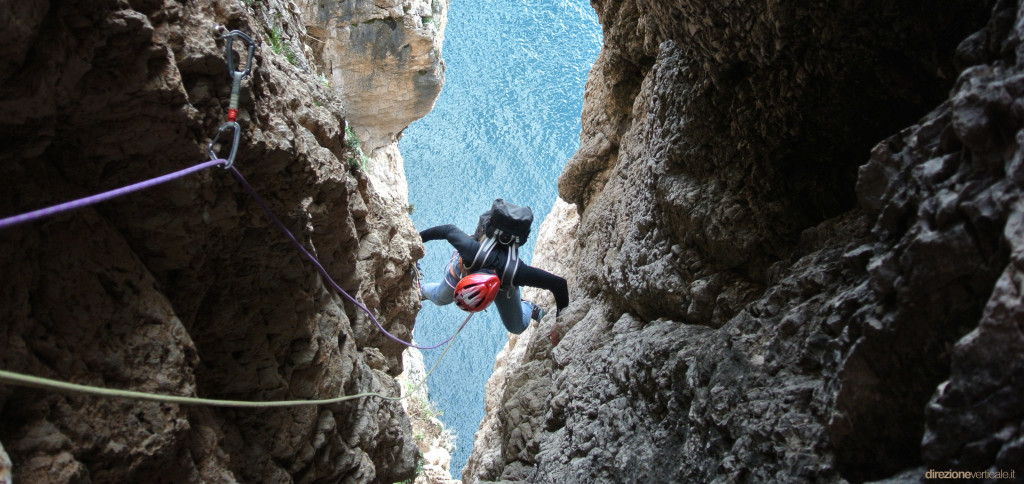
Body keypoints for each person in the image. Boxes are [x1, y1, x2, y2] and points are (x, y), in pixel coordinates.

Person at [418, 219, 568, 338]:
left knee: (517, 327)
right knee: (439, 297)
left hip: (504, 287)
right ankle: (420, 291)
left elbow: (560, 284)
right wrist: (415, 243)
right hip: (465, 268)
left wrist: (559, 324)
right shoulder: (471, 251)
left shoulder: (517, 273)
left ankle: (530, 308)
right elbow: (447, 230)